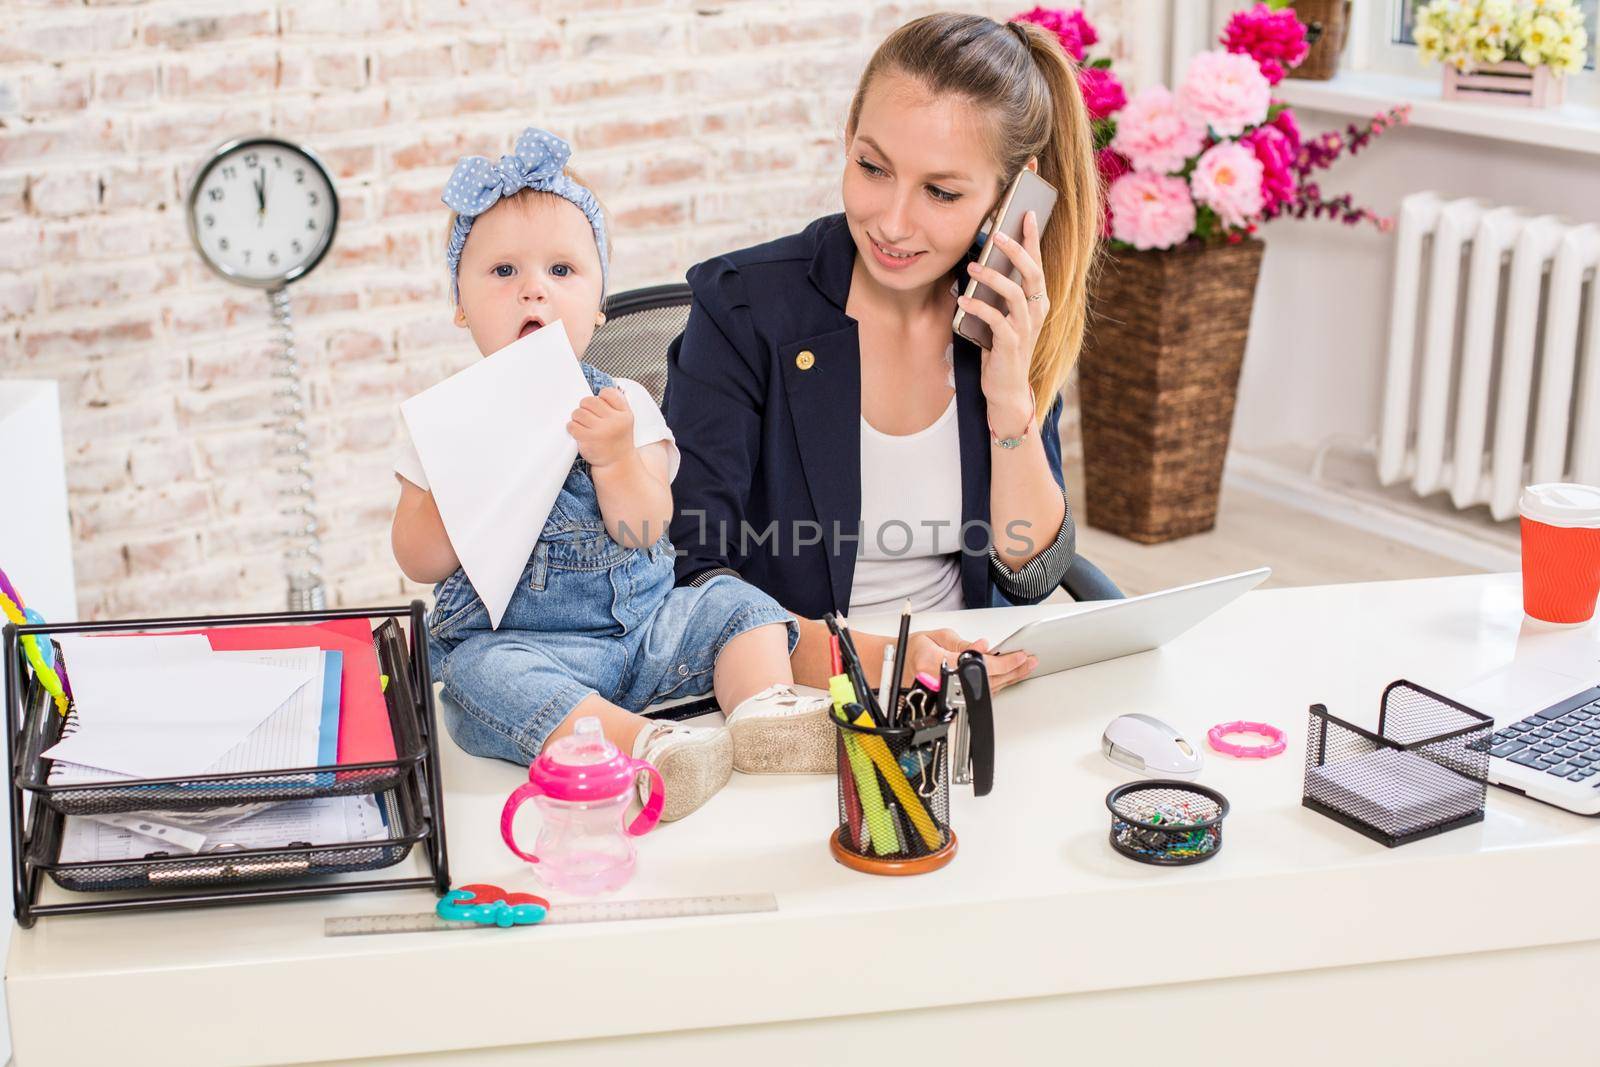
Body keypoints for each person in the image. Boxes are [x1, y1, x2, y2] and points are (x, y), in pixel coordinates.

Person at [664, 13, 1100, 765]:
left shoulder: (1005, 317)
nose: (892, 221)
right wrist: (881, 659)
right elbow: (687, 574)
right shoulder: (742, 309)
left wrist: (1010, 399)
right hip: (789, 704)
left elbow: (1030, 572)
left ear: (1007, 199)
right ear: (849, 139)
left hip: (965, 702)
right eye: (873, 168)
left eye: (940, 191)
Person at [390, 129, 836, 820]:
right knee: (475, 678)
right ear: (459, 302)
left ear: (599, 306)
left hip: (650, 633)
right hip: (530, 650)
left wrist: (615, 456)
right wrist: (462, 475)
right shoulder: (446, 423)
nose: (533, 289)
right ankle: (648, 746)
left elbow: (645, 524)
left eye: (562, 271)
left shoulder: (624, 402)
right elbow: (420, 560)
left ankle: (763, 716)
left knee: (734, 604)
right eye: (503, 272)